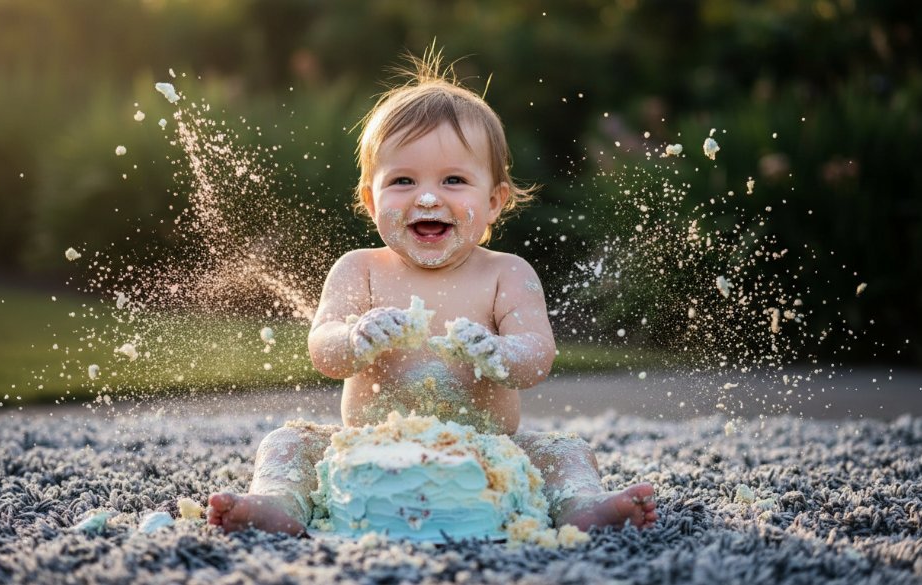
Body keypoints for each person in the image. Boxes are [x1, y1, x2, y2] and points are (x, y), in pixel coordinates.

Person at [208, 48, 656, 536]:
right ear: (370, 198)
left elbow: (537, 357)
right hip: (368, 448)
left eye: (453, 180)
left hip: (487, 452)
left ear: (492, 202)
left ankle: (582, 506)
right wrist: (356, 338)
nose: (426, 197)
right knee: (286, 443)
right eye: (402, 180)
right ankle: (276, 502)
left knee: (567, 451)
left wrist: (499, 352)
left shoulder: (507, 273)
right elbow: (324, 349)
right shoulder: (359, 270)